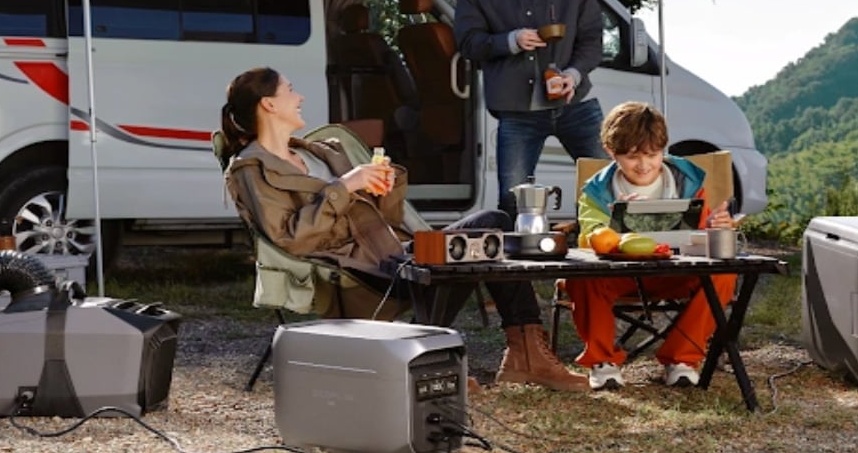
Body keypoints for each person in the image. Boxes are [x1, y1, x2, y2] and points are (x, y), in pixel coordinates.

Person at [220, 67, 586, 392]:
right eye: (290, 90)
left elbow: (388, 220)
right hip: (355, 270)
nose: (299, 97)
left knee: (493, 223)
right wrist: (345, 186)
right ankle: (428, 359)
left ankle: (524, 353)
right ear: (269, 104)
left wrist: (383, 185)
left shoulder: (317, 151)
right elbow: (291, 238)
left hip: (391, 251)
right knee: (451, 259)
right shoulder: (252, 169)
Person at [569, 101, 737, 390]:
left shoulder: (688, 179)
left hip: (674, 271)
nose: (644, 165)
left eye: (652, 155)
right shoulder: (597, 190)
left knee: (724, 274)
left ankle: (682, 359)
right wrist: (618, 222)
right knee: (582, 277)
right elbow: (589, 237)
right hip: (619, 276)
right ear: (611, 152)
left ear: (663, 149)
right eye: (632, 157)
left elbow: (698, 234)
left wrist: (713, 226)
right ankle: (603, 361)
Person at [454, 0, 605, 215]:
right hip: (516, 112)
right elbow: (468, 44)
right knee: (513, 203)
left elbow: (592, 41)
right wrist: (511, 41)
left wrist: (573, 74)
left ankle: (605, 244)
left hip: (575, 106)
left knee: (608, 188)